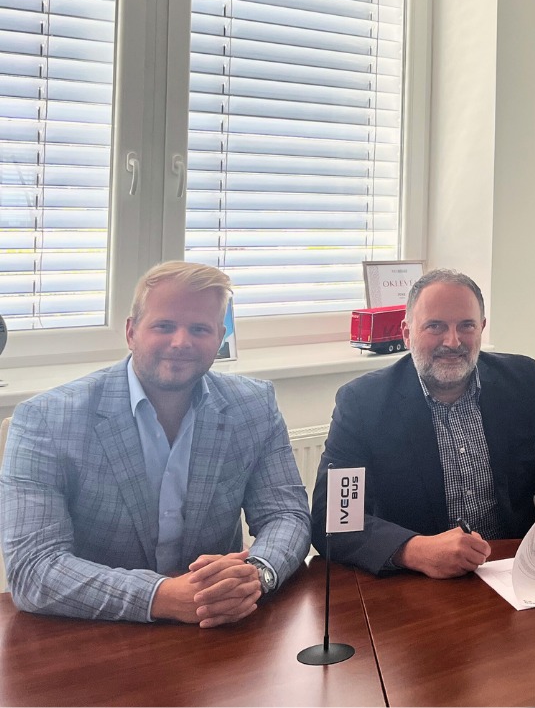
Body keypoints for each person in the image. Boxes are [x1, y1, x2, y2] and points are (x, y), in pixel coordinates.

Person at [0, 262, 311, 626]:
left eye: (199, 329)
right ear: (131, 332)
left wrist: (257, 573)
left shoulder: (254, 406)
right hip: (95, 633)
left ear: (220, 337)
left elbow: (286, 515)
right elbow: (34, 568)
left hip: (219, 628)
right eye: (164, 326)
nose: (181, 342)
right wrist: (162, 596)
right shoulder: (46, 419)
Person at [310, 268, 535, 578]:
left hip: (514, 573)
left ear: (482, 328)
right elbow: (332, 520)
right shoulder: (363, 403)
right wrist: (413, 549)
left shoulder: (522, 382)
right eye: (436, 326)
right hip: (413, 582)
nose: (453, 341)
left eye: (466, 326)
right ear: (407, 332)